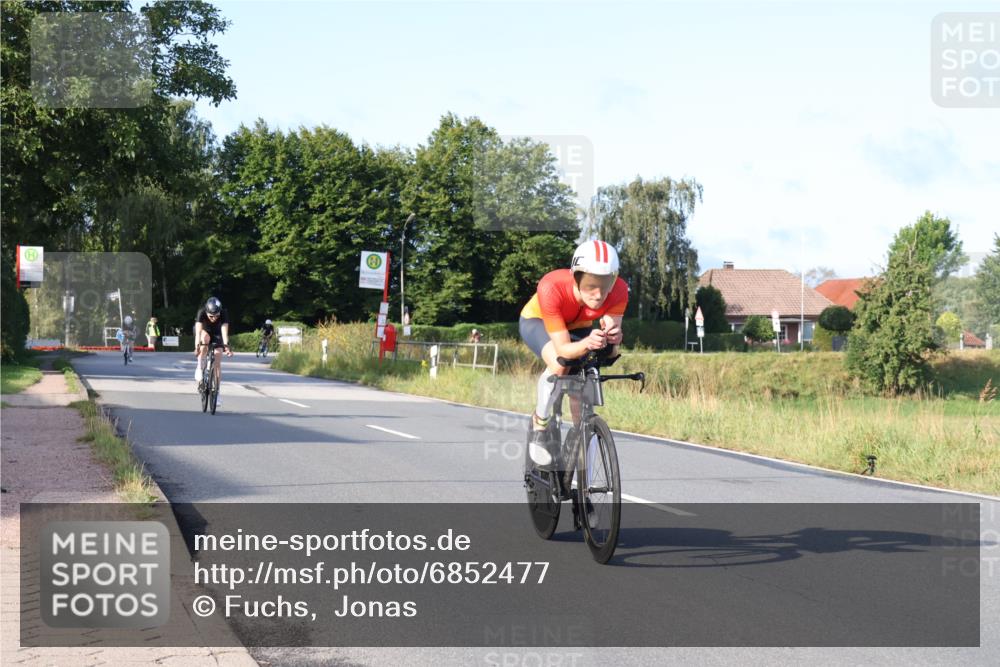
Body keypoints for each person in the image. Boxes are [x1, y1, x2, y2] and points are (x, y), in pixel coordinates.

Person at [519, 240, 628, 466]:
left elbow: (609, 351)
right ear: (576, 277)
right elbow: (563, 350)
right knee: (561, 364)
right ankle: (540, 424)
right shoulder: (551, 287)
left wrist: (614, 340)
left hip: (578, 326)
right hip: (537, 321)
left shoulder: (619, 291)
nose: (598, 295)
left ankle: (582, 439)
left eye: (605, 284)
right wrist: (588, 342)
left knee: (586, 377)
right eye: (590, 285)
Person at [194, 297, 233, 404]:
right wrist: (197, 346)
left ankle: (217, 392)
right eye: (211, 316)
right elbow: (198, 333)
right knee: (205, 339)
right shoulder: (201, 312)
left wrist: (226, 346)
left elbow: (224, 332)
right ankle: (199, 366)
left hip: (216, 333)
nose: (214, 318)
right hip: (204, 332)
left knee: (218, 356)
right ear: (206, 312)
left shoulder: (224, 313)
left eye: (216, 316)